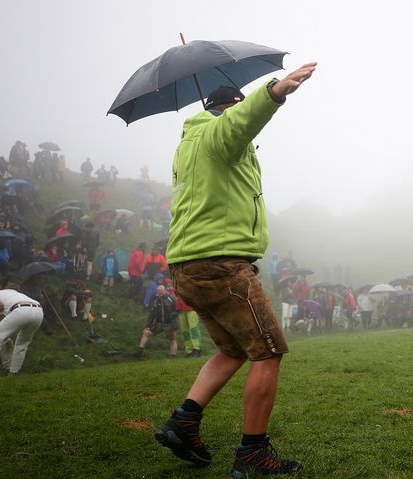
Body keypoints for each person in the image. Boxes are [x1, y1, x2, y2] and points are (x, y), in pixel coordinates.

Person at [155, 62, 316, 476]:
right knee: (269, 352)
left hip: (188, 267)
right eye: (239, 110)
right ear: (231, 107)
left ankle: (183, 423)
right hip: (221, 265)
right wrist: (274, 92)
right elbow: (235, 127)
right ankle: (253, 452)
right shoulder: (215, 134)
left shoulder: (189, 145)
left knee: (233, 350)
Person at [132, 285, 177, 358]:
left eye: (161, 290)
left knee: (173, 340)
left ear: (165, 290)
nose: (160, 292)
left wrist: (173, 318)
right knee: (146, 333)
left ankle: (173, 357)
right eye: (158, 291)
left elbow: (177, 310)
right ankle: (139, 352)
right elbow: (152, 314)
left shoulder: (172, 299)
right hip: (158, 324)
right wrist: (148, 326)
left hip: (169, 324)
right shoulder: (156, 300)